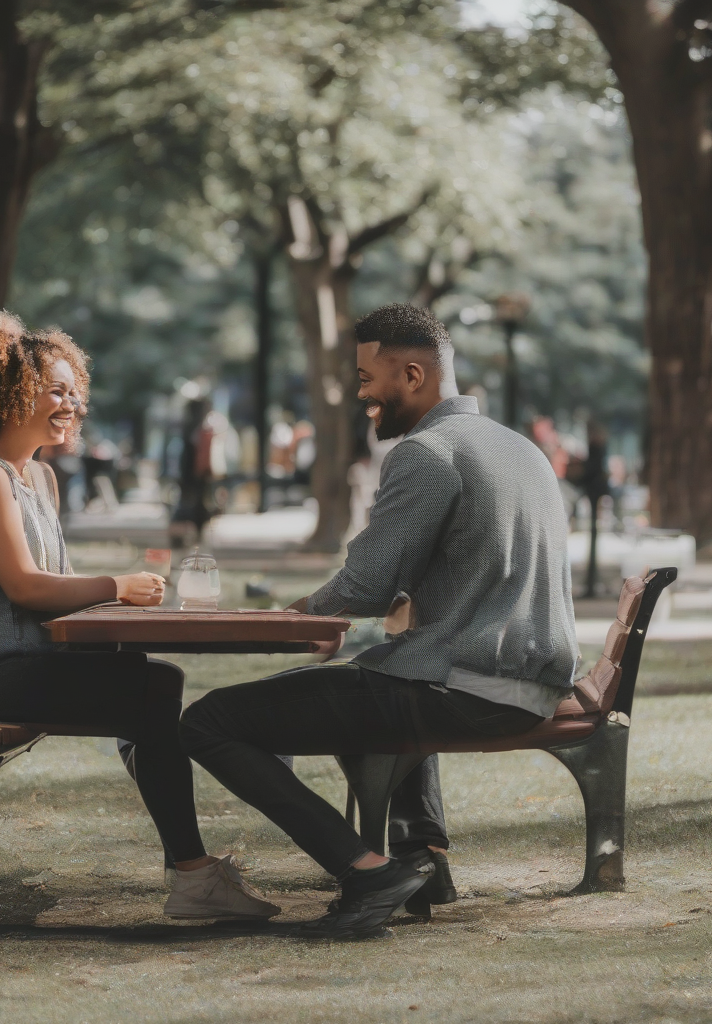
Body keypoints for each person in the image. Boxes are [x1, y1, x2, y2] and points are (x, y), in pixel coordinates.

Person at [180, 303, 580, 939]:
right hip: (527, 682)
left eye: (369, 379)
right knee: (370, 675)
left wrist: (302, 610)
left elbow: (368, 586)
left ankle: (367, 870)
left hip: (465, 686)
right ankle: (426, 858)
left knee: (208, 721)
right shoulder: (519, 447)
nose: (362, 394)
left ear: (414, 375)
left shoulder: (427, 450)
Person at [0, 309, 278, 922]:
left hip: (16, 663)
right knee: (153, 686)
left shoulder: (41, 478)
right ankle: (193, 875)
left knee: (150, 680)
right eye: (57, 390)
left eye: (75, 391)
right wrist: (116, 584)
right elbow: (26, 588)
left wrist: (117, 601)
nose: (73, 404)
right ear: (13, 392)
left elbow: (54, 585)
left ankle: (191, 871)